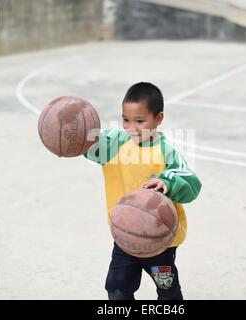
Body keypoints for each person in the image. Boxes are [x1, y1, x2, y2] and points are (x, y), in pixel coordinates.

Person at [84, 82, 202, 300]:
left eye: (140, 121)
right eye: (126, 120)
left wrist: (169, 182)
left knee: (168, 293)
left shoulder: (166, 151)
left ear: (158, 119)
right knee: (117, 289)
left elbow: (192, 183)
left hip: (160, 242)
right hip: (125, 236)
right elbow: (89, 145)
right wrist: (74, 138)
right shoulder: (115, 144)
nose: (132, 127)